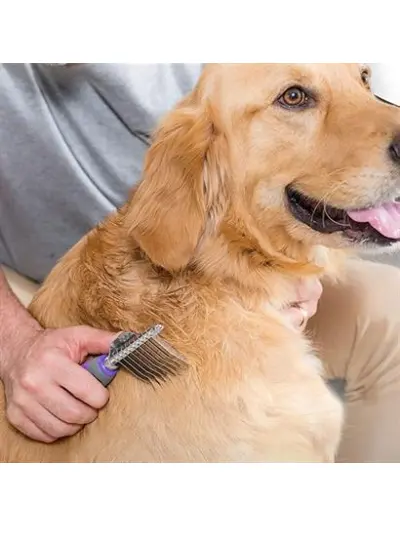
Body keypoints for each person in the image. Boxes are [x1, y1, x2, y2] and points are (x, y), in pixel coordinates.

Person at [1, 63, 400, 462]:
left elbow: (318, 85)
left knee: (390, 311)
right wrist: (16, 344)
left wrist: (305, 251)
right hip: (24, 293)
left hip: (224, 244)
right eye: (295, 98)